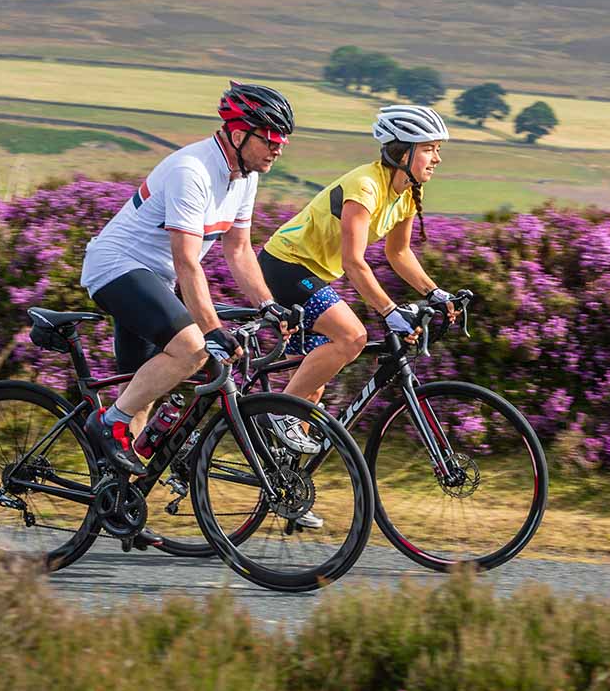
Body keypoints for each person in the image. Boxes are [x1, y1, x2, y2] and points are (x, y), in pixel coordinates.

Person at [79, 83, 297, 474]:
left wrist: (268, 304)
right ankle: (107, 424)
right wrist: (211, 329)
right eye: (271, 139)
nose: (278, 149)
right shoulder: (191, 170)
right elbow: (186, 261)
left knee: (145, 389)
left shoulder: (245, 176)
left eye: (282, 141)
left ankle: (117, 499)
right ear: (237, 134)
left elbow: (239, 250)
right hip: (117, 266)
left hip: (154, 278)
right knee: (194, 349)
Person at [255, 104, 457, 452]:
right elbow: (353, 262)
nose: (437, 158)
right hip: (286, 265)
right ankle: (274, 412)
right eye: (429, 149)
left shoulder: (406, 194)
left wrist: (435, 292)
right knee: (351, 336)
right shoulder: (365, 187)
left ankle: (286, 489)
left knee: (312, 385)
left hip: (314, 274)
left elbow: (399, 254)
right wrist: (390, 311)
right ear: (402, 151)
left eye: (437, 149)